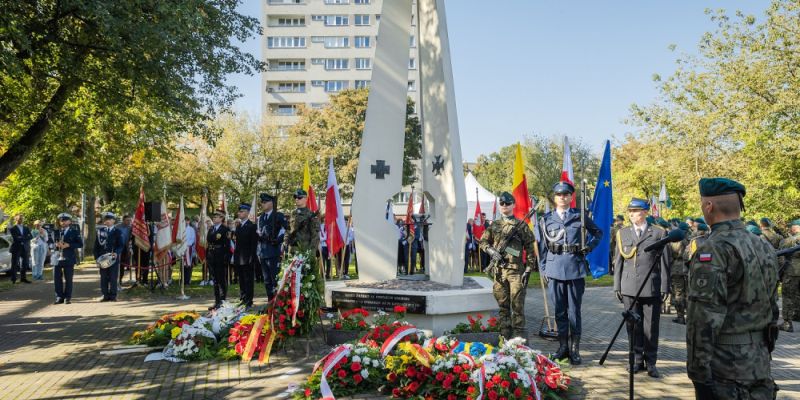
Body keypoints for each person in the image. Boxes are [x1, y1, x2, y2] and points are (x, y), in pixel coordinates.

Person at [687, 178, 779, 399]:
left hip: (725, 367)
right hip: (759, 360)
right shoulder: (762, 244)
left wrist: (698, 371)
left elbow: (704, 318)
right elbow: (772, 305)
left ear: (709, 206)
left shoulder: (714, 248)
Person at [538, 181, 603, 365]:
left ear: (571, 197)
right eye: (559, 195)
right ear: (555, 197)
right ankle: (562, 347)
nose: (563, 197)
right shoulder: (546, 219)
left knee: (574, 311)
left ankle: (575, 350)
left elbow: (598, 232)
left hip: (575, 267)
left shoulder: (580, 216)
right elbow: (543, 246)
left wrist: (589, 247)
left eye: (566, 194)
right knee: (559, 311)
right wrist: (543, 268)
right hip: (554, 268)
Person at [613, 197, 671, 378]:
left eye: (635, 211)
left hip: (651, 287)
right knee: (633, 326)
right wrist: (617, 286)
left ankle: (651, 361)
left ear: (645, 212)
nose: (631, 214)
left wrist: (664, 287)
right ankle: (637, 360)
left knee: (651, 327)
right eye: (630, 211)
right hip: (629, 286)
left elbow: (665, 263)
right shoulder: (623, 234)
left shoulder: (659, 233)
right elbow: (618, 262)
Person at [480, 192, 536, 339]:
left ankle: (519, 342)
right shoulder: (494, 225)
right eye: (502, 203)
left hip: (516, 272)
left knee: (517, 307)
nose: (504, 206)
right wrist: (491, 251)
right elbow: (483, 242)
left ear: (513, 205)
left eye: (508, 203)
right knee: (503, 308)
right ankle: (504, 339)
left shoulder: (521, 225)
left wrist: (529, 267)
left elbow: (530, 246)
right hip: (499, 271)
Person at [284, 189, 322, 296]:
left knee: (306, 281)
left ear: (305, 199)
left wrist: (311, 253)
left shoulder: (311, 215)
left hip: (305, 252)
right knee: (291, 279)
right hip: (293, 252)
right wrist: (285, 242)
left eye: (299, 197)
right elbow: (288, 230)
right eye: (295, 197)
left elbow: (315, 237)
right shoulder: (293, 213)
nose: (297, 199)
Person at [256, 193, 286, 301]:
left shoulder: (278, 216)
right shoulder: (261, 218)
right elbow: (259, 232)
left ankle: (277, 302)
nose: (262, 204)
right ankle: (270, 301)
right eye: (262, 202)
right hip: (263, 252)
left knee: (275, 279)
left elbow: (287, 230)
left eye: (265, 202)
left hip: (273, 251)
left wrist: (279, 239)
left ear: (271, 203)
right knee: (267, 280)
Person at [94, 212, 124, 302]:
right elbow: (96, 246)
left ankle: (113, 295)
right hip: (102, 258)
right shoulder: (100, 231)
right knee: (103, 277)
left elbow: (121, 245)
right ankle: (105, 295)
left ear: (113, 221)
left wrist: (116, 252)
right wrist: (96, 258)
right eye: (105, 220)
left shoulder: (118, 232)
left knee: (113, 277)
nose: (107, 221)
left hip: (113, 258)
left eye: (109, 220)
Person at [53, 213, 83, 304]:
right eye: (62, 221)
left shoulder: (74, 232)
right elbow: (50, 242)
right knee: (57, 278)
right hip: (57, 257)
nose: (63, 222)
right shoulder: (56, 231)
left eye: (65, 220)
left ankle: (67, 297)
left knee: (68, 278)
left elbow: (80, 244)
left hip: (69, 257)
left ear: (69, 221)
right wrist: (55, 245)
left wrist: (69, 245)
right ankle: (59, 297)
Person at [232, 203, 257, 308]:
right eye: (239, 212)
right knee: (241, 279)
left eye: (241, 211)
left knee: (248, 280)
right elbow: (237, 244)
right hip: (239, 257)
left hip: (248, 257)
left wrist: (252, 257)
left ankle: (249, 300)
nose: (239, 213)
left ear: (247, 213)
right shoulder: (239, 226)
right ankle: (242, 298)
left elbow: (253, 244)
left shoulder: (252, 226)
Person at [778, 219, 800, 332]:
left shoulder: (790, 240)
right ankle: (797, 315)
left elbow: (781, 252)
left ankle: (787, 323)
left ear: (796, 227)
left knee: (788, 296)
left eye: (792, 226)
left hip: (792, 271)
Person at [207, 210, 230, 310]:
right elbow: (209, 239)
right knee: (215, 279)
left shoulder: (225, 229)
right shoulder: (211, 228)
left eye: (217, 217)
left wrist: (226, 257)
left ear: (221, 218)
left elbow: (227, 245)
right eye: (214, 217)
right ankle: (217, 301)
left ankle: (222, 300)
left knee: (221, 279)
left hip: (220, 255)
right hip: (212, 255)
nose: (214, 218)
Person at [669, 222, 692, 325]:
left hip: (677, 268)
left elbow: (672, 253)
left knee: (678, 293)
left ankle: (680, 317)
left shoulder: (676, 239)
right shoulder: (691, 239)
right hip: (688, 268)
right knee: (688, 293)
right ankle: (689, 317)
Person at [9, 214, 32, 284]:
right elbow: (16, 238)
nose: (21, 220)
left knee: (25, 264)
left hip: (25, 248)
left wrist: (21, 238)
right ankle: (13, 279)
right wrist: (25, 238)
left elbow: (30, 236)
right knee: (15, 263)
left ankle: (23, 278)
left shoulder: (26, 228)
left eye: (22, 219)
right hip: (16, 248)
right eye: (19, 219)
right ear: (16, 219)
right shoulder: (13, 228)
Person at [117, 215, 132, 285]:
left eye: (130, 220)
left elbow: (130, 238)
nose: (129, 222)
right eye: (127, 220)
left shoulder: (130, 228)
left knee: (122, 265)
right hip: (117, 249)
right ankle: (115, 280)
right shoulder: (117, 227)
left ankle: (120, 279)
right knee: (117, 265)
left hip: (125, 249)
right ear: (123, 220)